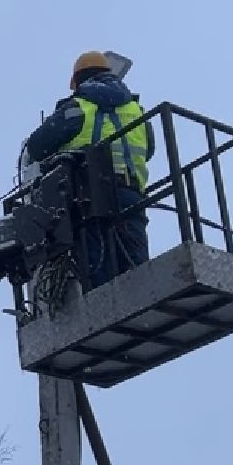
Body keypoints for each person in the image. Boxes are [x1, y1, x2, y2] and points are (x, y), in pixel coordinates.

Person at [21, 50, 156, 290]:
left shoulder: (78, 107)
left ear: (78, 82)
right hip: (131, 194)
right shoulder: (137, 111)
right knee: (136, 262)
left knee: (99, 263)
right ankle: (141, 296)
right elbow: (149, 148)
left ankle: (107, 307)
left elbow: (36, 146)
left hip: (93, 196)